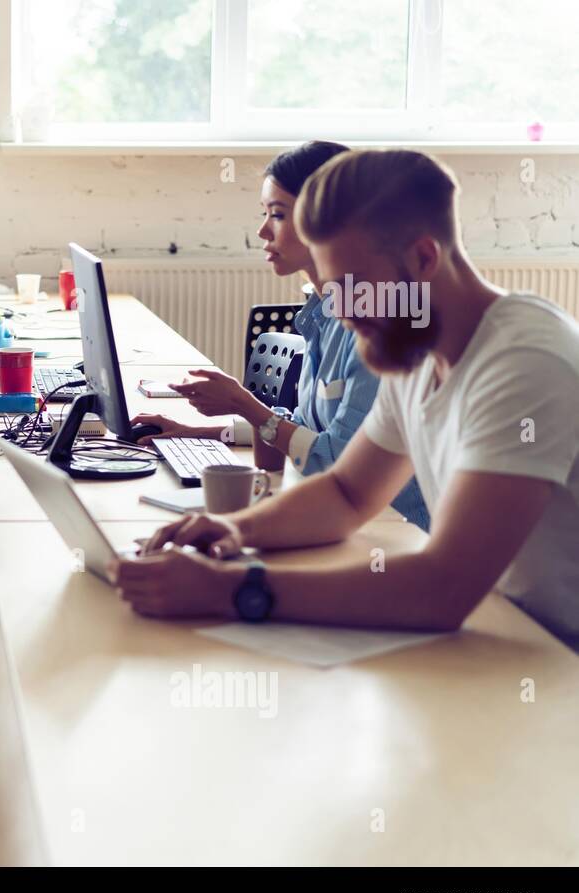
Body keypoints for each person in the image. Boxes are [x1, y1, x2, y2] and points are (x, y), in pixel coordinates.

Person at [113, 149, 579, 650]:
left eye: (351, 288)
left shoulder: (524, 361)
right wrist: (232, 527)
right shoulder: (416, 348)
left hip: (556, 663)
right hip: (498, 638)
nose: (343, 314)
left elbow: (442, 589)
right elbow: (347, 494)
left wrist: (234, 589)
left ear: (424, 258)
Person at [133, 141, 428, 529]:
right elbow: (305, 431)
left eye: (277, 215)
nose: (261, 231)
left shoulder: (384, 321)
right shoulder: (324, 312)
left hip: (402, 535)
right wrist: (196, 432)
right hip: (355, 522)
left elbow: (337, 463)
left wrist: (244, 403)